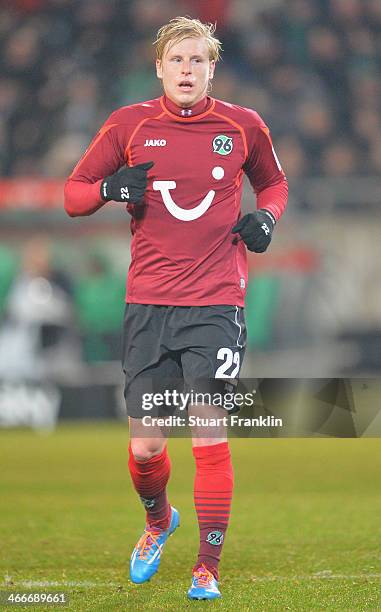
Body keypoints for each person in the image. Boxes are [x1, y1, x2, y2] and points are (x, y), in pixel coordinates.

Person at [64, 16, 288, 601]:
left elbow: (274, 185)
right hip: (148, 305)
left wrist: (266, 219)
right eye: (177, 61)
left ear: (212, 68)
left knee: (209, 432)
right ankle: (159, 521)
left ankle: (206, 566)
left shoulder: (242, 126)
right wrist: (110, 189)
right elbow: (73, 194)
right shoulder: (128, 124)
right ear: (158, 67)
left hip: (215, 302)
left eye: (198, 61)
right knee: (146, 447)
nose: (187, 71)